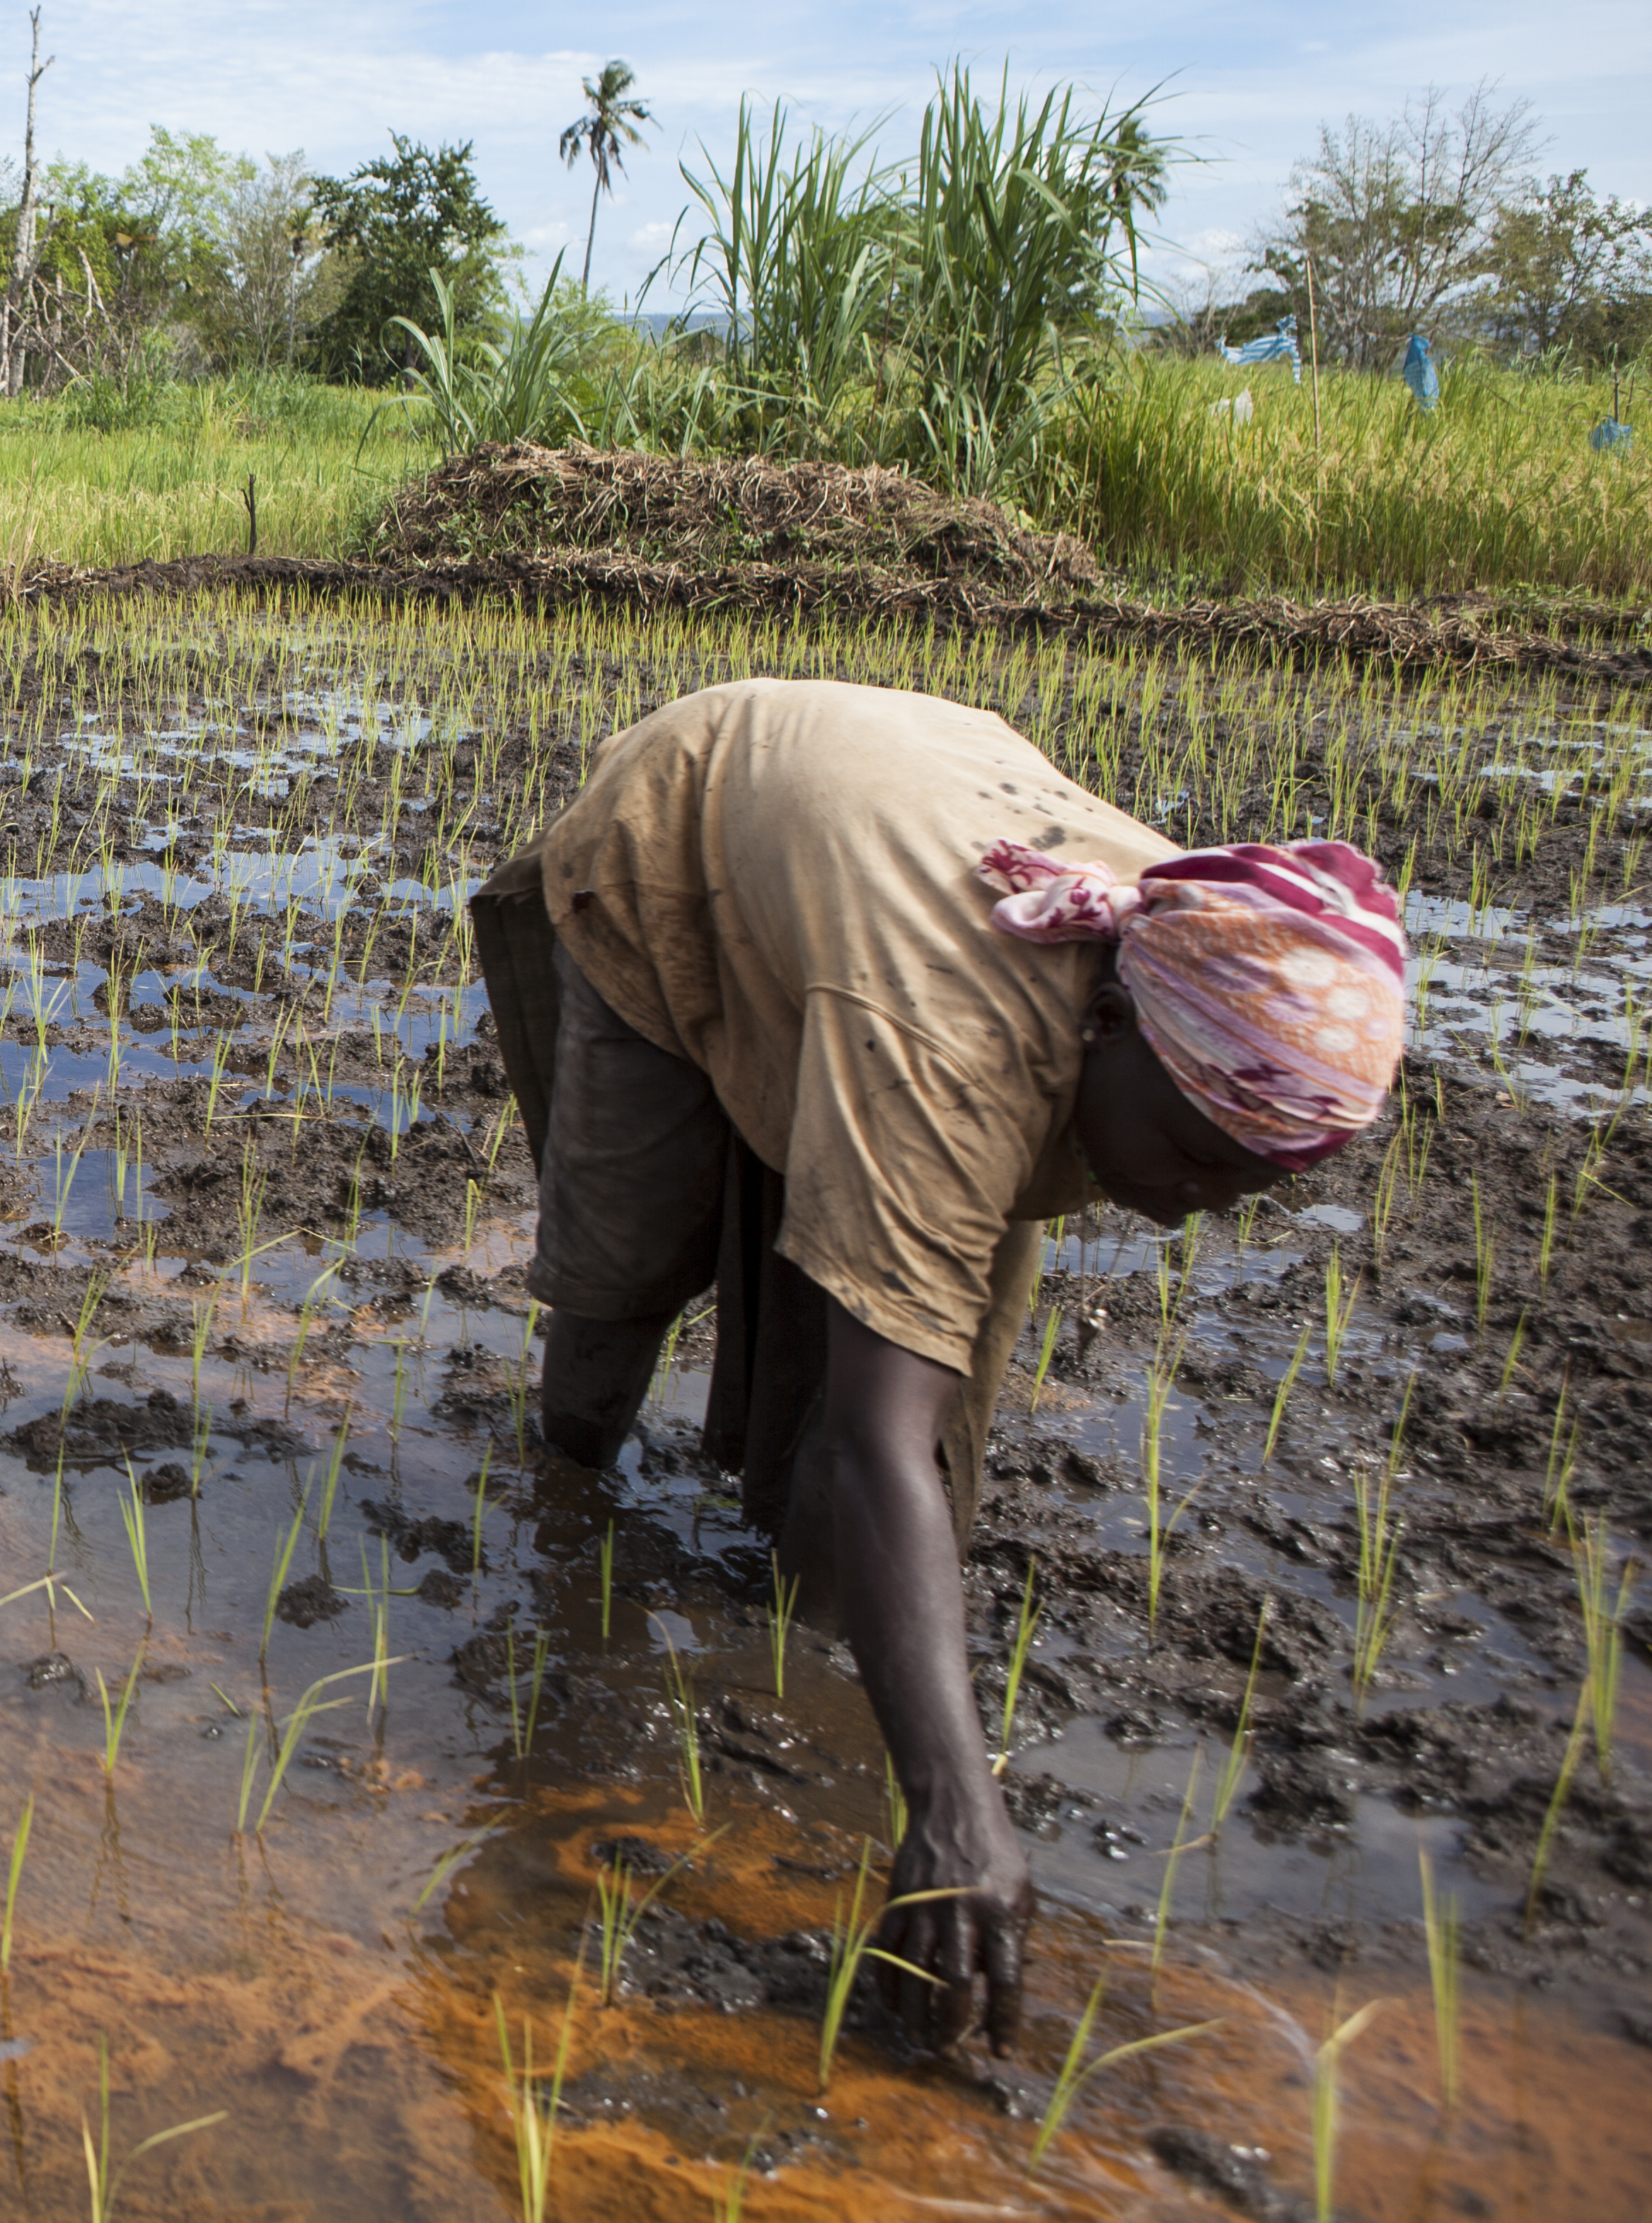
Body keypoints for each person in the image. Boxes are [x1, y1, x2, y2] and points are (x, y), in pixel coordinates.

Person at [469, 678, 1407, 2055]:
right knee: (627, 1272)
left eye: (1249, 1186)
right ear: (1105, 1029)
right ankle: (565, 1494)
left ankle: (801, 1684)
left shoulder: (1205, 951)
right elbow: (874, 1440)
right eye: (1198, 1156)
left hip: (879, 883)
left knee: (922, 1395)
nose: (1203, 1205)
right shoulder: (958, 1041)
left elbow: (913, 1428)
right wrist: (958, 1810)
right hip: (682, 842)